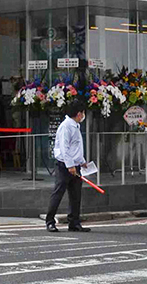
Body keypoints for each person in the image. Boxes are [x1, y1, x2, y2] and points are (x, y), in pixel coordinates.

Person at [45, 100, 90, 233]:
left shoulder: (75, 125)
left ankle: (74, 222)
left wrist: (82, 161)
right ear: (79, 113)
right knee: (58, 193)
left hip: (75, 165)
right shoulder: (66, 126)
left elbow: (76, 147)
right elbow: (65, 148)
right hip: (64, 166)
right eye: (83, 113)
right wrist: (70, 165)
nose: (83, 116)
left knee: (76, 195)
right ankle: (50, 221)